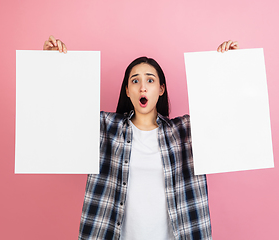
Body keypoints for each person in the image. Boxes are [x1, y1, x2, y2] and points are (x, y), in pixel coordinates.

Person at [43, 36, 239, 240]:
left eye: (150, 80)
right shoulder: (106, 128)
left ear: (161, 89)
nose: (142, 87)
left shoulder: (185, 131)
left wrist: (228, 67)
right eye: (135, 81)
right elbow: (60, 119)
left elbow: (227, 122)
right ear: (127, 91)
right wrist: (50, 65)